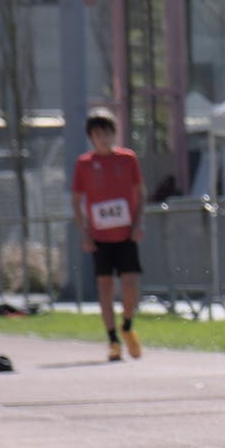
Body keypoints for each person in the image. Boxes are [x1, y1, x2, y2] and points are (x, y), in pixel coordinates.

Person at [71, 109, 146, 362]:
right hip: (99, 238)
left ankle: (127, 325)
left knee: (130, 287)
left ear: (114, 134)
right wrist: (85, 234)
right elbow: (77, 201)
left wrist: (137, 224)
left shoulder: (128, 159)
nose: (103, 138)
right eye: (97, 134)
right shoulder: (84, 164)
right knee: (104, 289)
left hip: (126, 235)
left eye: (107, 133)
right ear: (91, 137)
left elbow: (141, 193)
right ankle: (113, 339)